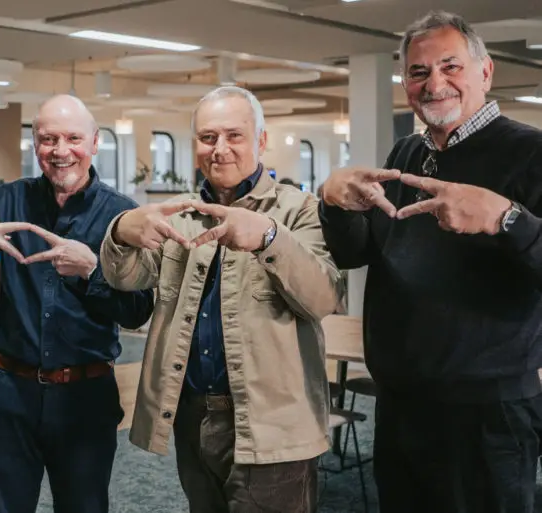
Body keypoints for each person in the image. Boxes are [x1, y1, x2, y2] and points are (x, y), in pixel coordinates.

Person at [319, 10, 542, 513]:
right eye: (418, 72)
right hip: (401, 404)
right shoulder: (408, 152)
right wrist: (333, 203)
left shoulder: (530, 153)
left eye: (450, 67)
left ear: (485, 73)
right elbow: (359, 252)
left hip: (488, 414)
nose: (434, 83)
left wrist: (506, 219)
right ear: (405, 85)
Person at [100, 85, 343, 513]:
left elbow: (322, 298)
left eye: (235, 136)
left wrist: (268, 238)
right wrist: (120, 231)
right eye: (208, 137)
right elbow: (124, 278)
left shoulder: (299, 210)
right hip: (193, 415)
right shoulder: (179, 215)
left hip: (272, 425)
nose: (220, 149)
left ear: (261, 140)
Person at [0, 94, 154, 513]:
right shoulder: (9, 201)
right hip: (8, 391)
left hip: (86, 395)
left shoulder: (122, 216)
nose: (61, 151)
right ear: (36, 145)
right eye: (48, 139)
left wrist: (92, 273)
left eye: (72, 138)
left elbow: (139, 309)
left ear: (94, 142)